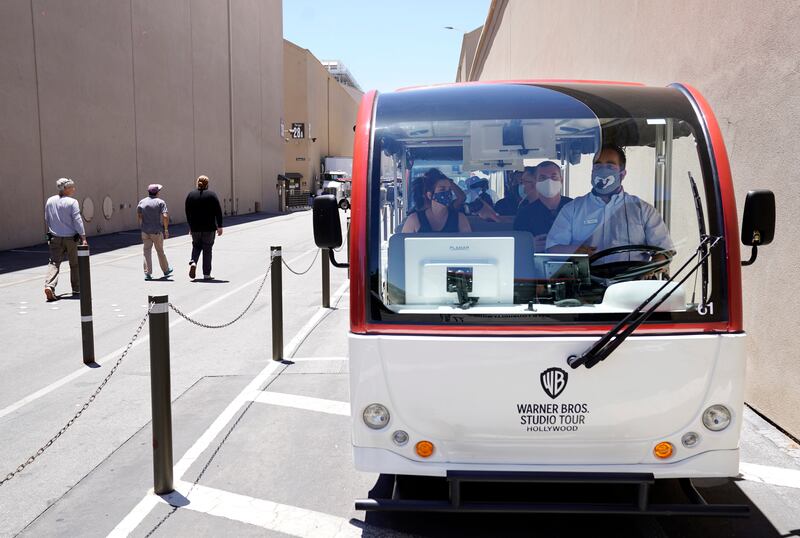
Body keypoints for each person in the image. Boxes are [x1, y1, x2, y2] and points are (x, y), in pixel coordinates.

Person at [546, 144, 673, 262]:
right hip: (587, 284)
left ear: (622, 174)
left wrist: (649, 271)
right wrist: (574, 251)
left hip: (632, 282)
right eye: (598, 165)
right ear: (592, 172)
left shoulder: (643, 210)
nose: (603, 170)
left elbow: (665, 251)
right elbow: (552, 249)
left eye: (610, 166)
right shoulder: (572, 209)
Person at [43, 178, 87, 301]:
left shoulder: (50, 201)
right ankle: (76, 288)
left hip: (54, 237)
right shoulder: (72, 202)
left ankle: (49, 286)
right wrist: (83, 237)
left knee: (54, 263)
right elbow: (77, 220)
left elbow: (47, 218)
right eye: (72, 187)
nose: (74, 189)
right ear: (66, 189)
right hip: (71, 238)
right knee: (75, 264)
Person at [513, 161, 572, 251]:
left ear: (561, 180)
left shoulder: (575, 208)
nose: (549, 181)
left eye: (554, 177)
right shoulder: (524, 214)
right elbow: (517, 246)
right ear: (535, 182)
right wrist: (529, 245)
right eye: (542, 178)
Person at [401, 170, 471, 233]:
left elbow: (469, 244)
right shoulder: (414, 220)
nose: (447, 193)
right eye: (442, 189)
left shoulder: (460, 219)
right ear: (430, 195)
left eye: (449, 189)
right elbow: (403, 245)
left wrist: (448, 182)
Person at [185, 175, 223, 280]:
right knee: (207, 249)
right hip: (209, 228)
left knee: (196, 246)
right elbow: (218, 212)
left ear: (197, 183)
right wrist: (219, 226)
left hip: (195, 228)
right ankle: (206, 274)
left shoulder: (191, 195)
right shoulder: (212, 195)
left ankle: (193, 261)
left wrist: (190, 226)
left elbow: (188, 213)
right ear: (207, 184)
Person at [137, 183, 173, 280]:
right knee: (160, 251)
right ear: (157, 192)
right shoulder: (160, 202)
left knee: (146, 251)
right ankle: (166, 270)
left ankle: (148, 273)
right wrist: (166, 229)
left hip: (145, 231)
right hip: (156, 231)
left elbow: (139, 215)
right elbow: (165, 216)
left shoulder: (142, 202)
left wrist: (142, 225)